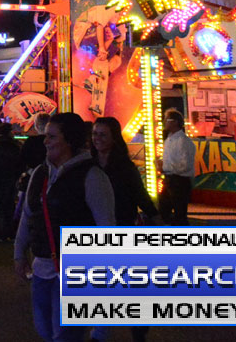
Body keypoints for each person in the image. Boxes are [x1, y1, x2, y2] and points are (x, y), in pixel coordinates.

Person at [14, 112, 116, 342]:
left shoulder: (92, 177)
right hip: (42, 265)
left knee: (66, 334)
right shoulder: (40, 174)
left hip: (76, 268)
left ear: (68, 140)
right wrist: (19, 253)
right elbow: (28, 216)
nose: (45, 141)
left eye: (51, 136)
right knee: (45, 329)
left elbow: (106, 227)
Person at [90, 116, 159, 342]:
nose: (97, 139)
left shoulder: (124, 167)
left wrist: (153, 214)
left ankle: (138, 325)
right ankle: (100, 332)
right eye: (95, 134)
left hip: (122, 226)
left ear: (114, 138)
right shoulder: (88, 164)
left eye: (102, 135)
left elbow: (139, 194)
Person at [157, 108, 194, 226]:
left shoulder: (184, 141)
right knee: (164, 211)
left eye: (167, 120)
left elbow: (185, 165)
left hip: (179, 181)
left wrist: (165, 166)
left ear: (175, 122)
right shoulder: (169, 139)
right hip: (170, 179)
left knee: (180, 214)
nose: (165, 122)